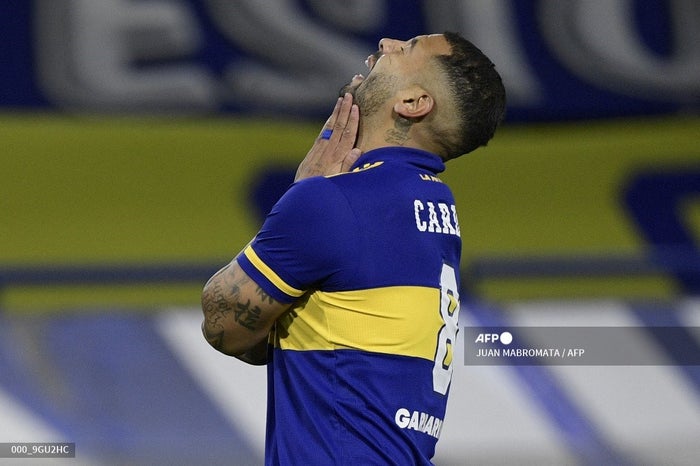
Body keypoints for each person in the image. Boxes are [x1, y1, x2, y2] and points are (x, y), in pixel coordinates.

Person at [201, 31, 506, 465]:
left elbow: (225, 326)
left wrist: (302, 194)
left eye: (408, 48)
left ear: (413, 102)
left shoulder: (333, 202)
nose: (387, 43)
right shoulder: (436, 207)